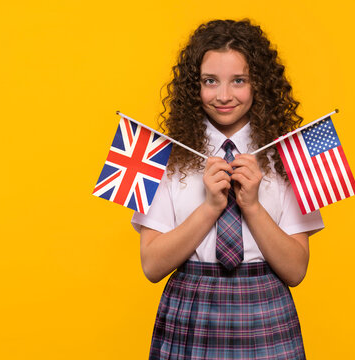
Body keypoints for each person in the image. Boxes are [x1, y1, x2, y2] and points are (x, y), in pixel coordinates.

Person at [131, 18, 325, 360]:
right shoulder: (163, 155)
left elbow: (296, 271)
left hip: (266, 308)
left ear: (259, 85)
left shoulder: (289, 157)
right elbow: (151, 266)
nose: (223, 96)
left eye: (239, 81)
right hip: (190, 308)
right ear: (195, 87)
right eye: (210, 81)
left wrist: (251, 206)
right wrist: (209, 208)